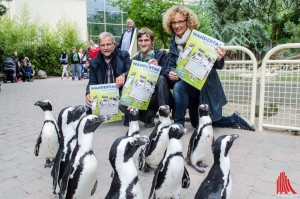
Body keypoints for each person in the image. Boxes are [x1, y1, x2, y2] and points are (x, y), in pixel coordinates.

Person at [163, 5, 255, 131]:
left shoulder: (199, 38)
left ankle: (233, 119)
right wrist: (172, 73)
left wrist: (218, 58)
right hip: (188, 88)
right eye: (174, 22)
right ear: (170, 24)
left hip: (204, 87)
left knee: (199, 122)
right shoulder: (173, 42)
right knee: (181, 89)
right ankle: (179, 125)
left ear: (187, 22)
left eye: (180, 21)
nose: (177, 25)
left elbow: (219, 65)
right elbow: (173, 65)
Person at [118, 27, 173, 127]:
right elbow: (130, 75)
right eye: (140, 40)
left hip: (159, 96)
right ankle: (147, 117)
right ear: (138, 42)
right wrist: (123, 75)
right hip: (142, 97)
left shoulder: (161, 55)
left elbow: (169, 78)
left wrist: (158, 68)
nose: (143, 43)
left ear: (152, 41)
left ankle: (163, 116)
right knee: (121, 103)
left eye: (146, 40)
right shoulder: (135, 60)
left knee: (161, 79)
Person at [84, 32, 131, 115]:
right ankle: (90, 123)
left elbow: (131, 71)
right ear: (99, 47)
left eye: (108, 44)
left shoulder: (124, 55)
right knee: (87, 101)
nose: (106, 48)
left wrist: (124, 75)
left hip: (120, 91)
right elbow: (92, 81)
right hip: (103, 94)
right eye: (102, 45)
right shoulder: (94, 62)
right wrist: (88, 93)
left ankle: (130, 118)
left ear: (114, 44)